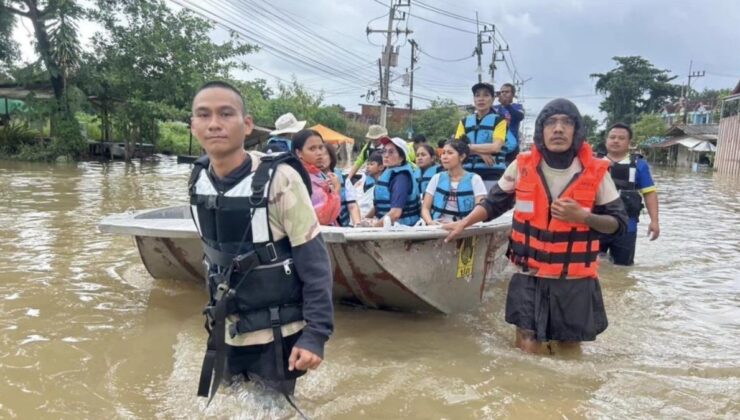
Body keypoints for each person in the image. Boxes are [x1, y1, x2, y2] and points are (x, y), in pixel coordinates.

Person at [444, 98, 628, 354]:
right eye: (551, 122)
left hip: (573, 279)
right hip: (528, 274)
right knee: (526, 347)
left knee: (569, 350)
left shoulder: (596, 172)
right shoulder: (522, 165)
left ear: (577, 131)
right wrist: (463, 223)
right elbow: (494, 203)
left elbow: (619, 224)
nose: (559, 129)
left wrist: (584, 217)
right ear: (541, 130)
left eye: (567, 122)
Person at [188, 81, 333, 402]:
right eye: (204, 115)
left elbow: (316, 263)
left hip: (276, 332)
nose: (214, 123)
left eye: (226, 114)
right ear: (193, 125)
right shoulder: (199, 178)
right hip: (227, 327)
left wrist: (315, 336)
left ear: (247, 124)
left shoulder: (281, 179)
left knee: (273, 408)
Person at [600, 122, 659, 266]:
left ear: (629, 143)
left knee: (623, 269)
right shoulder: (593, 163)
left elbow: (649, 193)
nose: (616, 141)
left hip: (627, 227)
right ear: (606, 140)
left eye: (621, 138)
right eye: (612, 137)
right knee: (593, 268)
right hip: (596, 225)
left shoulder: (639, 165)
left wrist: (654, 221)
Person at [455, 82, 511, 191]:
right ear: (474, 99)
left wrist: (468, 148)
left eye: (486, 95)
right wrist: (479, 152)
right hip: (467, 173)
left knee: (489, 207)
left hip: (492, 174)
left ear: (493, 99)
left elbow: (495, 147)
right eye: (477, 95)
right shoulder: (464, 122)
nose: (481, 99)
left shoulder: (500, 121)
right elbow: (456, 148)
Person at [421, 137, 486, 224]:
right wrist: (430, 222)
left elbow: (480, 209)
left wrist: (462, 224)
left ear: (462, 157)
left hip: (465, 228)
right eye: (443, 153)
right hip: (438, 227)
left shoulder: (475, 180)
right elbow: (425, 208)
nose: (444, 157)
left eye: (450, 153)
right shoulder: (436, 178)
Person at [363, 137, 420, 227]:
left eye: (391, 152)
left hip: (402, 227)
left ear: (401, 158)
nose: (386, 155)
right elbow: (377, 206)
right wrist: (364, 219)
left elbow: (395, 213)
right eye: (384, 151)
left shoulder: (401, 178)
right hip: (387, 224)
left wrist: (374, 227)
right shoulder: (387, 172)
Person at [291, 129, 342, 226]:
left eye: (320, 147)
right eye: (312, 149)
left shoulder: (315, 174)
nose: (319, 153)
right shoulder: (301, 176)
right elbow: (323, 217)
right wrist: (336, 190)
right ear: (299, 153)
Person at [319, 143, 362, 227]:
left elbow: (352, 206)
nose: (321, 158)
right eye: (318, 155)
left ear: (331, 157)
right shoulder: (312, 179)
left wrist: (357, 225)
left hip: (342, 227)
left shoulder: (343, 178)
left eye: (325, 154)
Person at [493, 82, 525, 164]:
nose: (504, 94)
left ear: (513, 94)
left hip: (512, 147)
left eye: (507, 92)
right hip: (496, 146)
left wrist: (507, 105)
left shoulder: (517, 106)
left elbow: (519, 117)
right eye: (502, 92)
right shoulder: (494, 108)